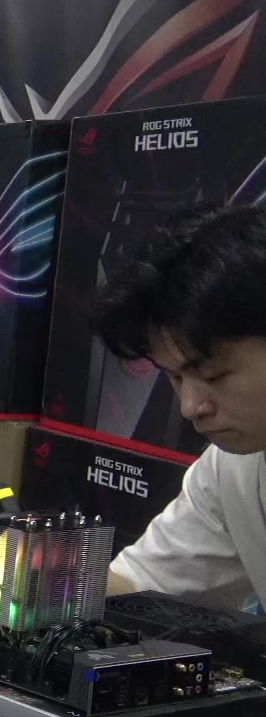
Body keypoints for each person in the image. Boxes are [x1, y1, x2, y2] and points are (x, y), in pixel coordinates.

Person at [96, 203, 266, 610]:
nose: (190, 407)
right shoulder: (232, 470)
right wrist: (45, 575)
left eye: (213, 375)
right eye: (174, 377)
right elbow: (139, 587)